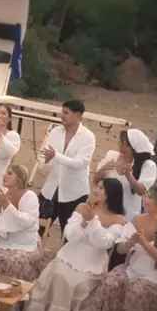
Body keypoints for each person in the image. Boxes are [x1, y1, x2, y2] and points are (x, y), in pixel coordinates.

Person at [26, 179, 126, 311]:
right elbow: (70, 235)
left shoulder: (118, 219)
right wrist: (84, 222)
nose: (96, 190)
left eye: (101, 188)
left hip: (92, 262)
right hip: (70, 255)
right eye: (97, 186)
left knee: (76, 284)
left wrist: (93, 221)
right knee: (59, 276)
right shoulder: (81, 207)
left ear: (111, 194)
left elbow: (105, 243)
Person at [39, 99, 96, 234]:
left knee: (69, 234)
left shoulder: (88, 137)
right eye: (62, 112)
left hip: (74, 193)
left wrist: (55, 156)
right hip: (51, 189)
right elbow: (43, 156)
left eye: (66, 113)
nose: (62, 116)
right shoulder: (55, 132)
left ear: (78, 115)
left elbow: (78, 163)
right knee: (37, 230)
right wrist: (46, 159)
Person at [0, 165, 45, 282]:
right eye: (6, 172)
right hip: (6, 239)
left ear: (19, 180)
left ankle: (14, 288)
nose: (4, 175)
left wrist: (7, 205)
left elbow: (27, 221)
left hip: (25, 240)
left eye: (9, 173)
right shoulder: (3, 194)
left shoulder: (30, 197)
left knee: (15, 261)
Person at [93, 129, 156, 222]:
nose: (118, 143)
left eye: (122, 142)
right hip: (105, 211)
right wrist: (102, 170)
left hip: (128, 215)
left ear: (131, 147)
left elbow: (141, 191)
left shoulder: (148, 165)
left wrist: (129, 176)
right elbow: (95, 181)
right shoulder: (111, 156)